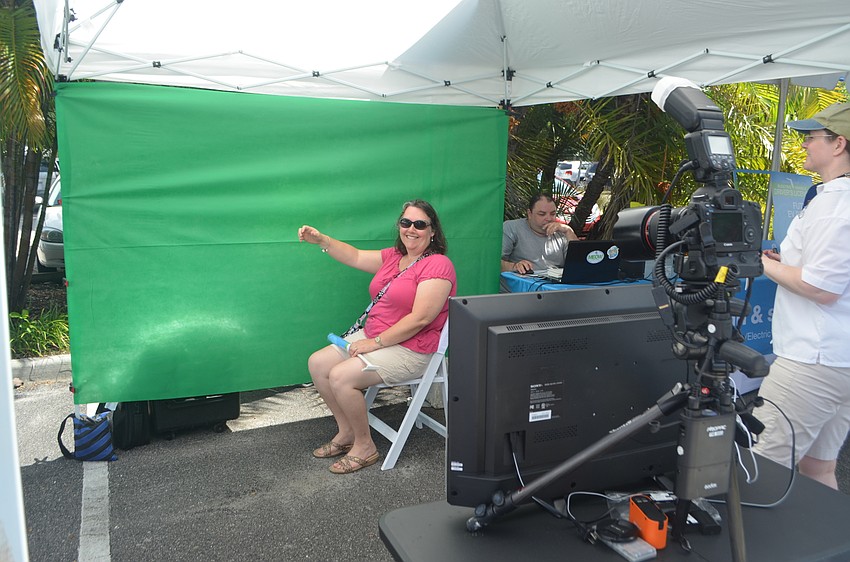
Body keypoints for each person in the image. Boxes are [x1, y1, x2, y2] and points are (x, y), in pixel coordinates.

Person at [297, 200, 456, 473]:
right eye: (406, 222)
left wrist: (374, 343)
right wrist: (321, 239)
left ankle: (365, 446)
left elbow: (421, 319)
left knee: (341, 376)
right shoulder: (395, 257)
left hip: (412, 348)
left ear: (432, 231)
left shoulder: (438, 265)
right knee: (318, 363)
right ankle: (346, 432)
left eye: (420, 224)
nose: (411, 229)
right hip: (375, 336)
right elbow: (355, 256)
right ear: (399, 226)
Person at [753, 102, 850, 489]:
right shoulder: (834, 200)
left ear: (839, 143)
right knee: (818, 468)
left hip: (812, 363)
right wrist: (787, 260)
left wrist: (761, 264)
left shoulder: (833, 205)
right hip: (838, 359)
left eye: (812, 137)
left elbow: (821, 287)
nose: (805, 145)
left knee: (762, 467)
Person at [501, 192, 578, 276]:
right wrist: (514, 267)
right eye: (542, 214)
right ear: (529, 214)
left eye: (552, 214)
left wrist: (568, 231)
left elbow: (580, 263)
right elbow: (492, 263)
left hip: (556, 285)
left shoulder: (561, 232)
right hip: (523, 284)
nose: (548, 218)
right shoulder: (512, 228)